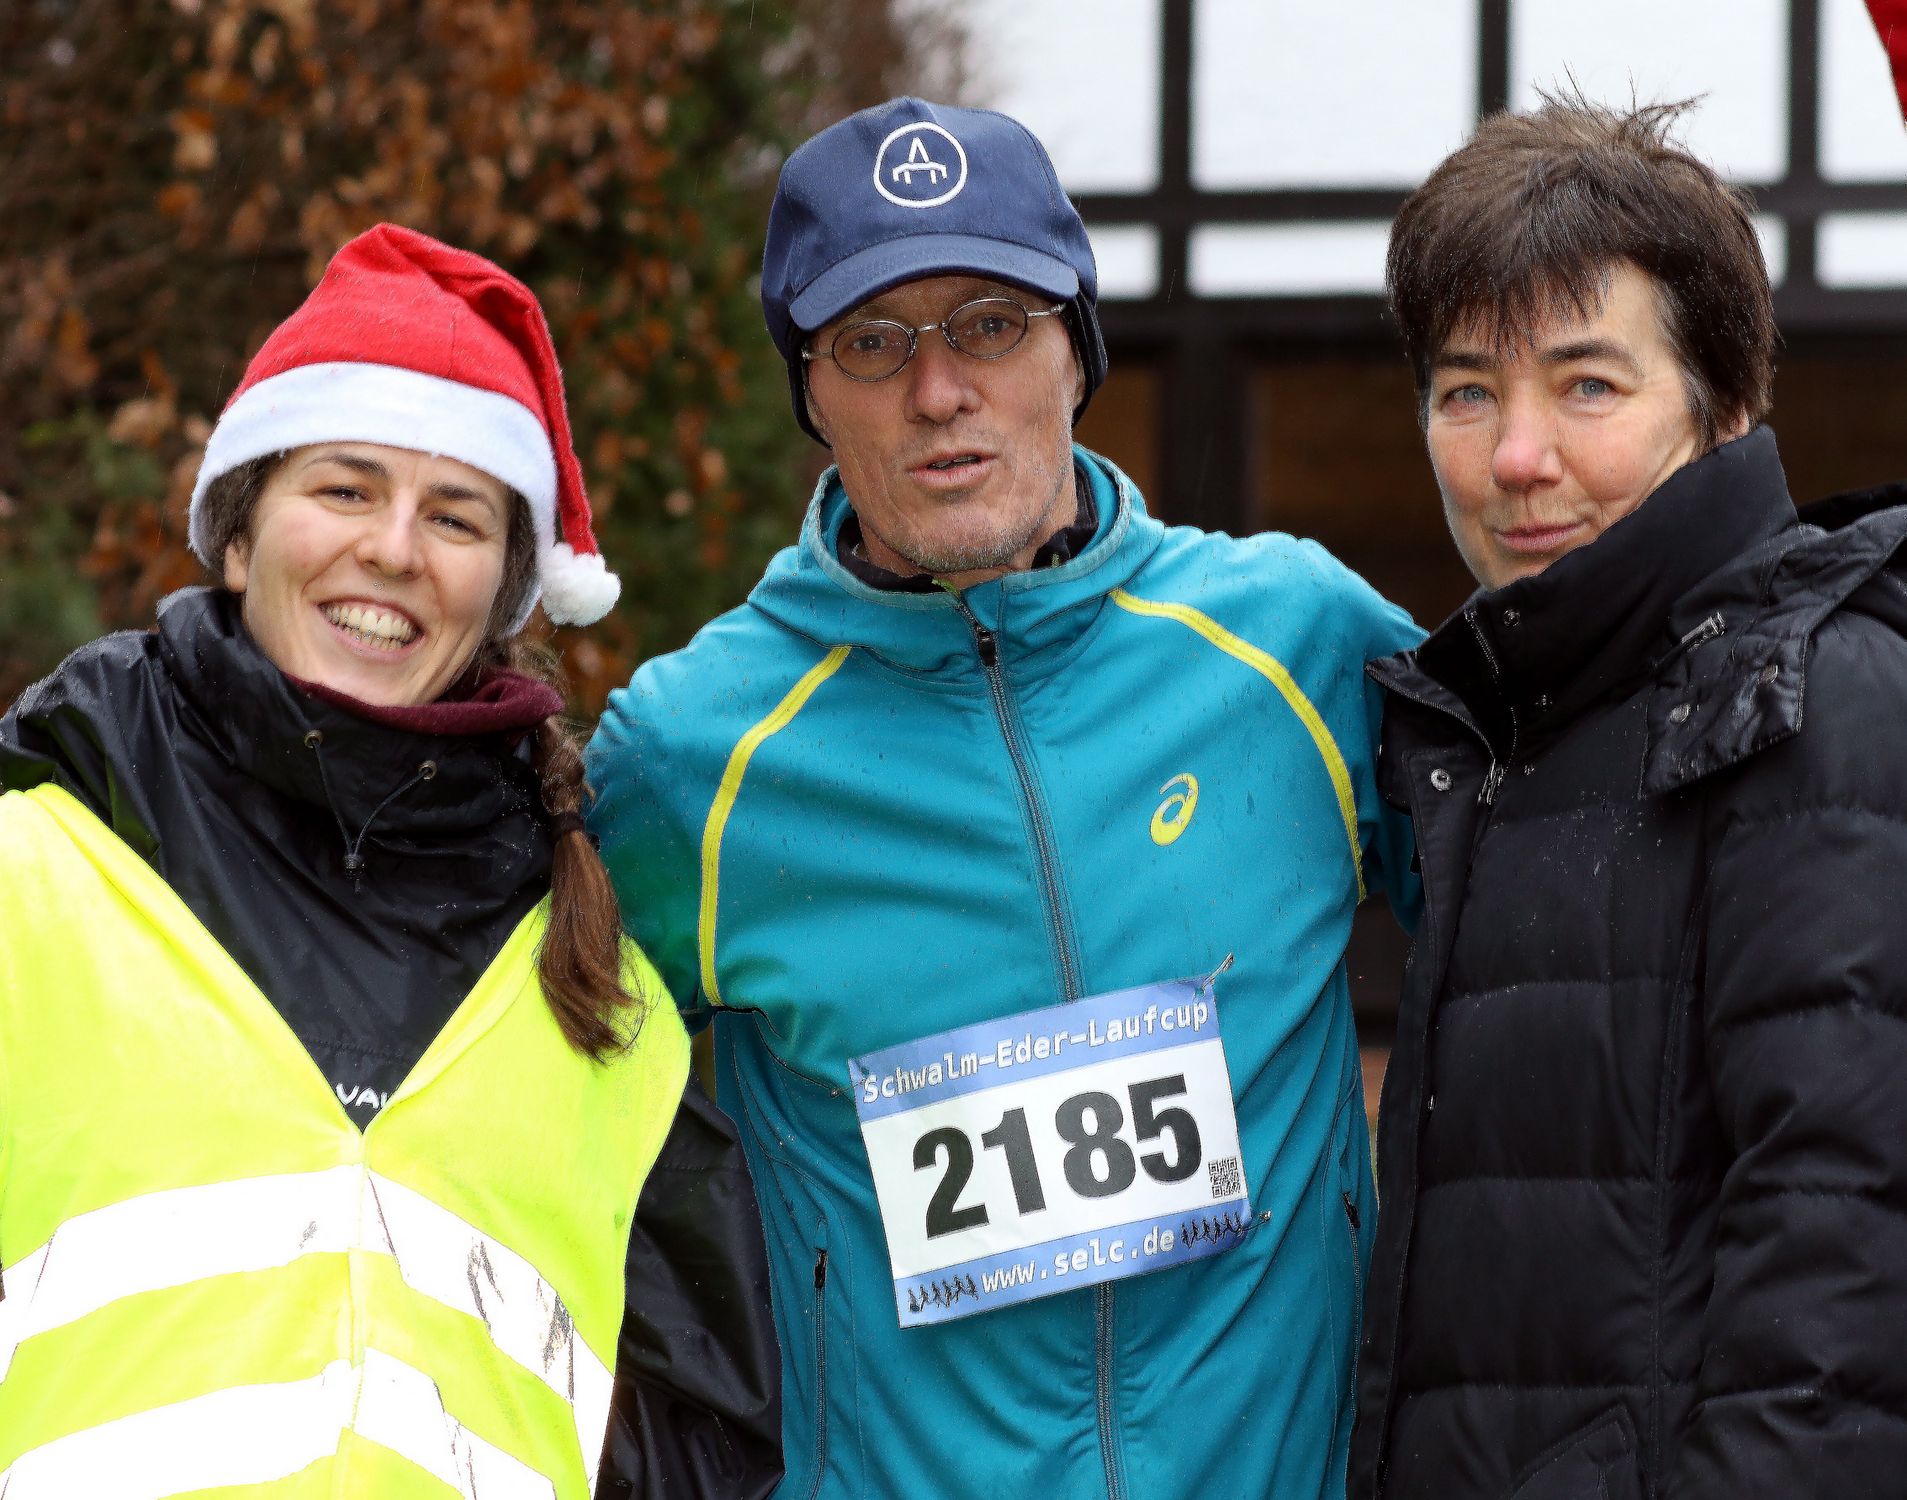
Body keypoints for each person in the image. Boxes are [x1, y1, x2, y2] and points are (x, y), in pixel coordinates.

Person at [586, 98, 1419, 1498]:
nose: (937, 392)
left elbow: (1553, 951)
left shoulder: (1295, 643)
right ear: (810, 393)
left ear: (1074, 351)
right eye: (872, 343)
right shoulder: (693, 757)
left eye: (990, 325)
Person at [0, 225, 780, 1499]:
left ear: (505, 593)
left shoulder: (604, 1008)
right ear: (238, 537)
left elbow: (694, 1450)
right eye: (346, 490)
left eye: (455, 516)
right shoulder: (28, 877)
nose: (395, 550)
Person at [1349, 98, 1907, 1500]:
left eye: (1585, 386)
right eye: (1465, 391)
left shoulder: (1808, 697)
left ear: (1721, 410)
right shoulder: (1518, 718)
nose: (1514, 457)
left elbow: (1837, 1289)